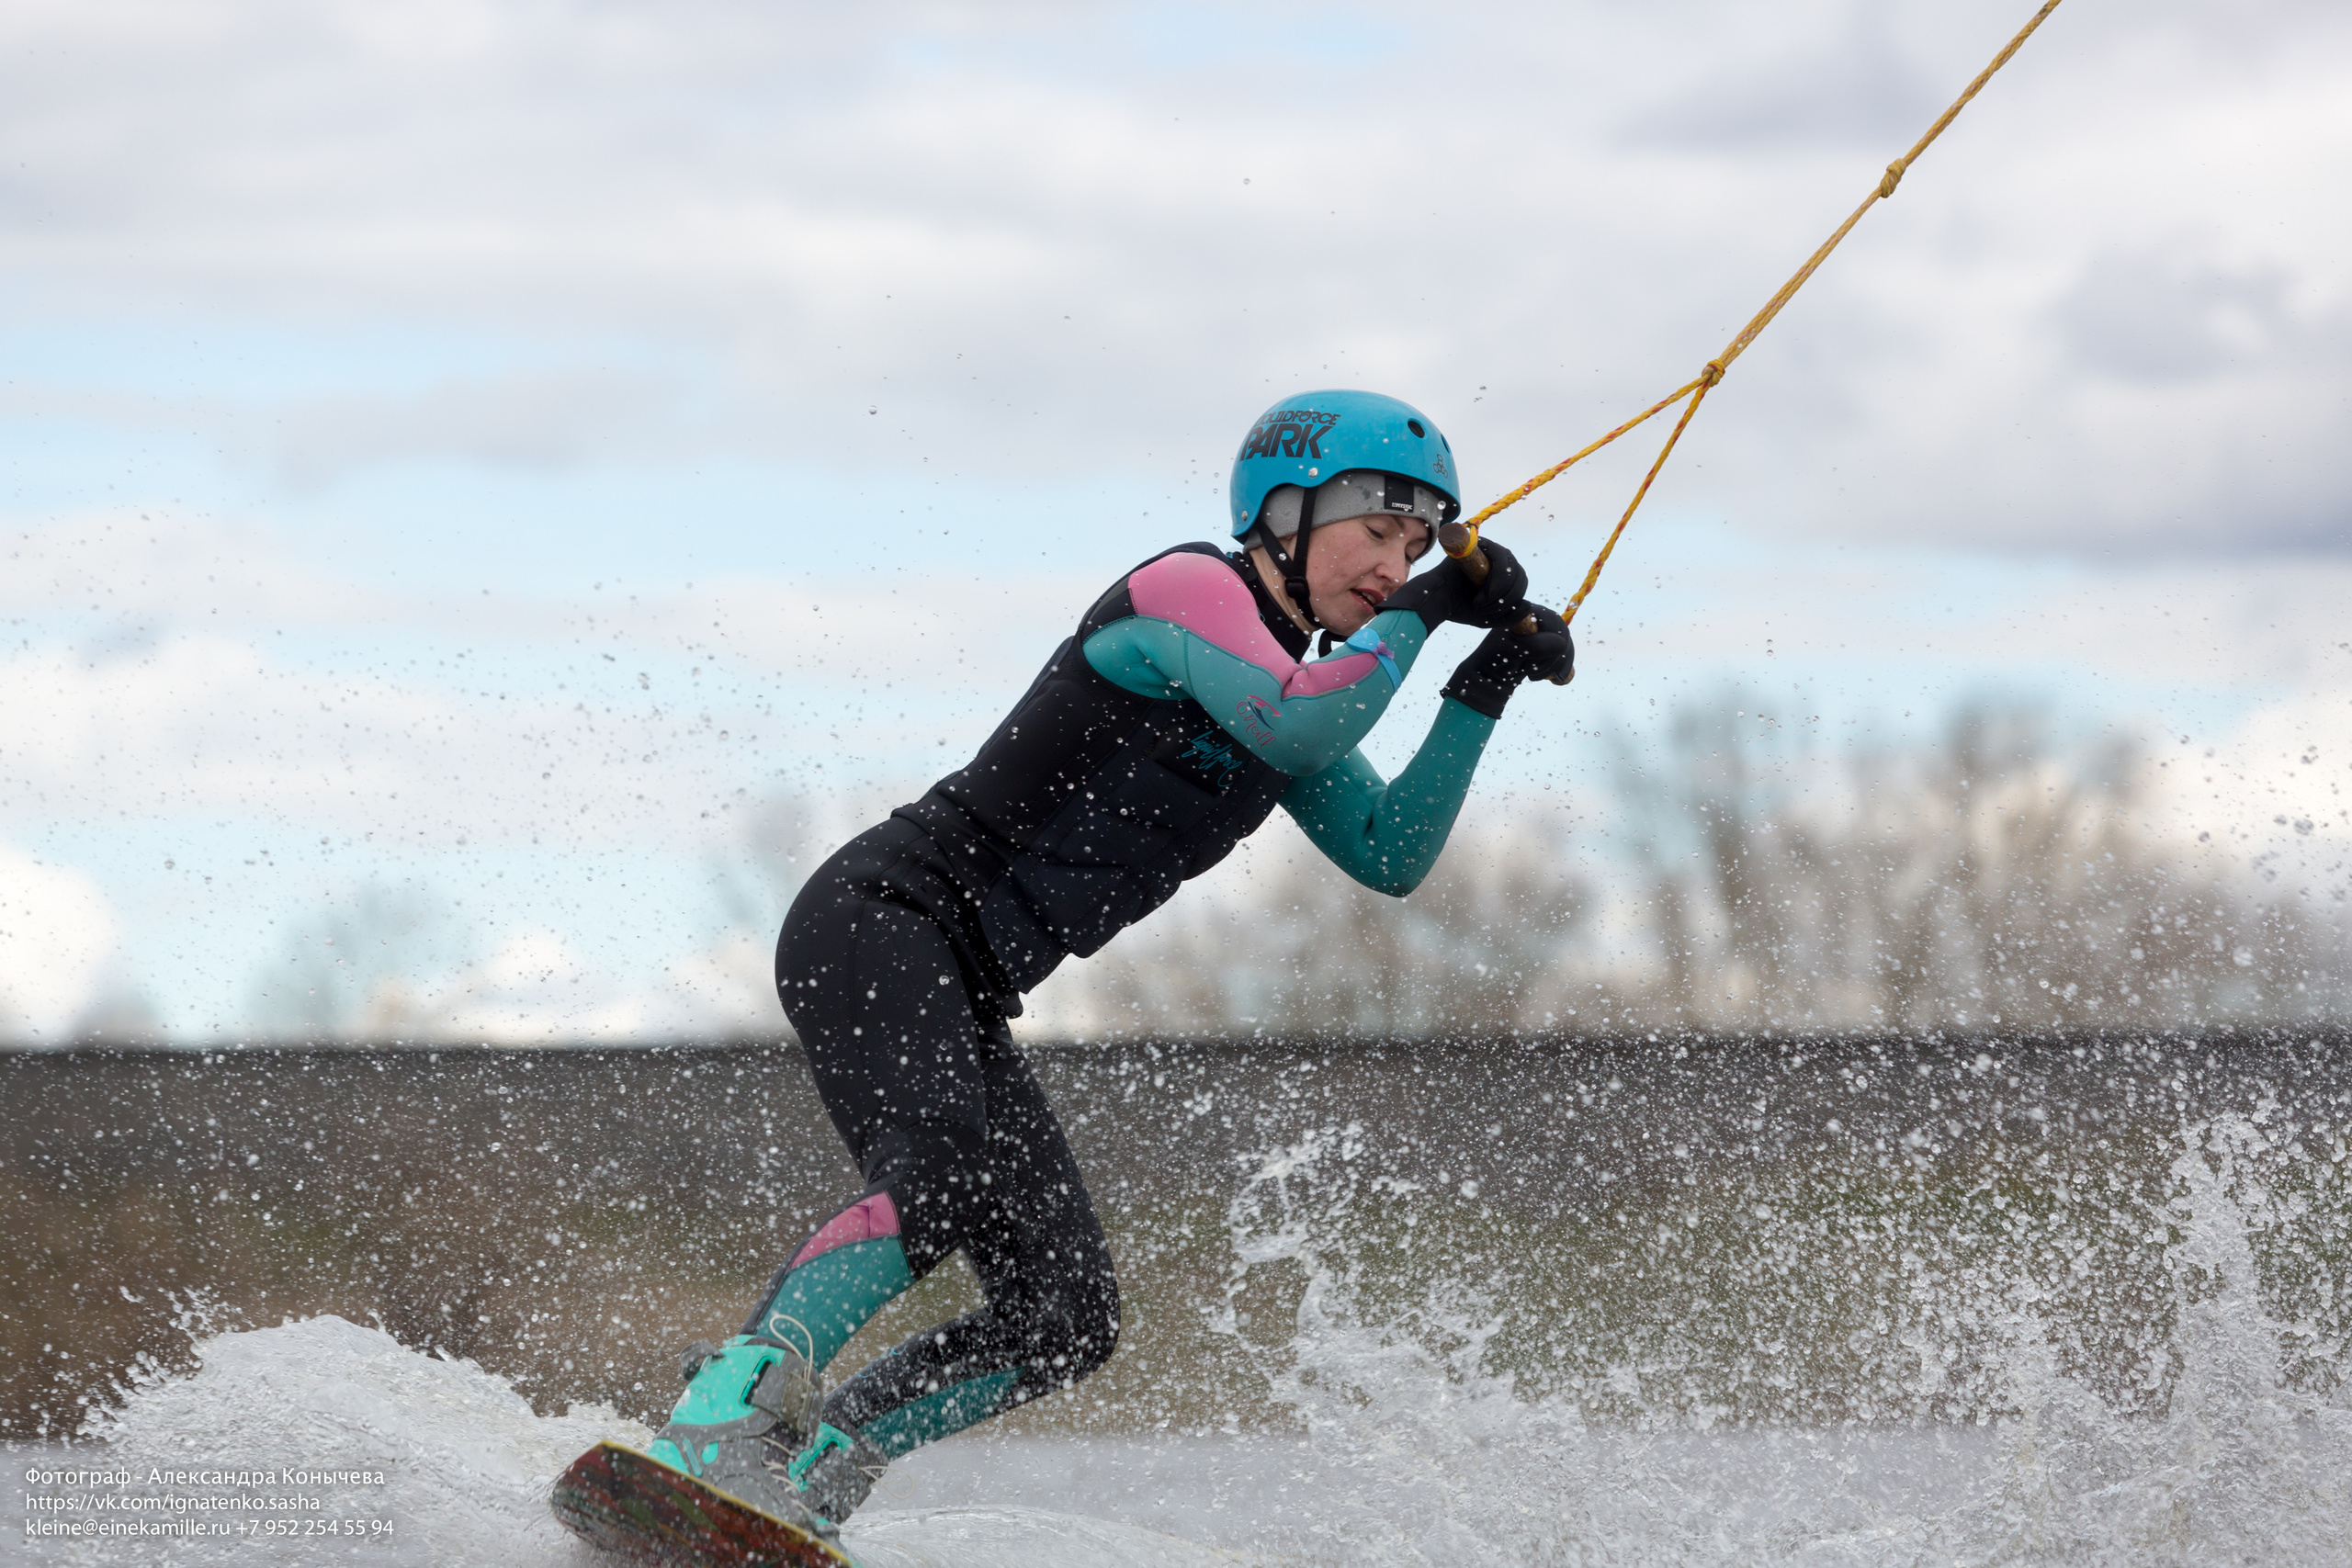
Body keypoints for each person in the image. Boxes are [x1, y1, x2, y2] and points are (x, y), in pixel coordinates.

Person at [641, 389, 1573, 1538]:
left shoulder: (1297, 701)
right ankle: (718, 1413)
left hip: (967, 985)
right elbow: (1299, 721)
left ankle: (811, 1471)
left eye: (1418, 541)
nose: (1396, 560)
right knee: (934, 1164)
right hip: (879, 918)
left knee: (1063, 1319)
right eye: (1375, 529)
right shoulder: (1186, 595)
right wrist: (1430, 612)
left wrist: (1483, 689)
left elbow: (1391, 854)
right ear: (1282, 510)